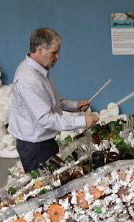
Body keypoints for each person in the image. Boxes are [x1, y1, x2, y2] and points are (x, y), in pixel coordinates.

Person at [9, 27, 98, 172]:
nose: (58, 57)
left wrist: (75, 105)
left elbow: (49, 100)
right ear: (40, 50)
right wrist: (82, 121)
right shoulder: (29, 78)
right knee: (44, 183)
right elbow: (46, 119)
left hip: (44, 141)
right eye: (54, 52)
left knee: (56, 177)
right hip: (35, 147)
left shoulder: (38, 70)